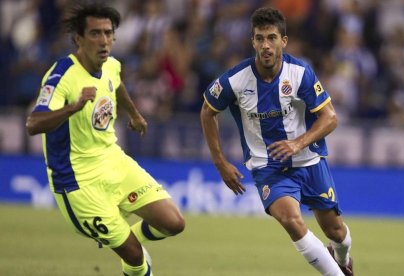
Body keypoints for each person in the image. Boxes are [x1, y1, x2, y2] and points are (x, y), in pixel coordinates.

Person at [25, 3, 185, 276]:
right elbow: (33, 124)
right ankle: (129, 249)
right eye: (95, 33)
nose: (104, 41)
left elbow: (117, 83)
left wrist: (134, 114)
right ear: (78, 38)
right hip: (78, 180)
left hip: (113, 161)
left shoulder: (111, 64)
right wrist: (72, 108)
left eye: (108, 33)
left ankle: (124, 237)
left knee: (174, 223)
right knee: (134, 257)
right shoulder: (62, 74)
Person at [200, 7, 353, 276]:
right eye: (259, 39)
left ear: (283, 41)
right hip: (267, 167)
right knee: (291, 220)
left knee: (337, 233)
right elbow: (207, 110)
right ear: (253, 42)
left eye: (271, 38)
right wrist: (220, 162)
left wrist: (298, 143)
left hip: (309, 161)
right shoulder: (235, 79)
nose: (265, 45)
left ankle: (342, 258)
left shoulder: (300, 73)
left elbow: (330, 118)